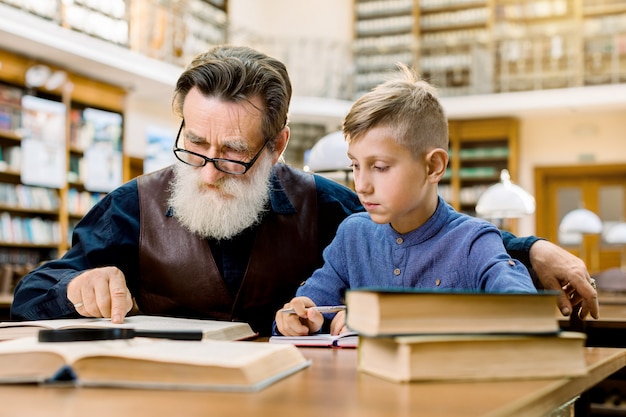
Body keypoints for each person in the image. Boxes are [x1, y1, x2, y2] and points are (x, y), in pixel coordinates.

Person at [10, 45, 598, 337]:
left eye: (235, 153)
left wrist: (529, 250)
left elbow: (424, 231)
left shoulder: (329, 206)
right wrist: (76, 286)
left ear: (278, 143)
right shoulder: (129, 205)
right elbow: (32, 294)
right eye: (195, 144)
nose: (209, 169)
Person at [276, 64, 537, 336]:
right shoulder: (353, 235)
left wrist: (382, 320)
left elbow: (527, 314)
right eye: (355, 165)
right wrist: (298, 317)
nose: (361, 185)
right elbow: (304, 308)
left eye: (380, 167)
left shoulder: (474, 242)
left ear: (433, 166)